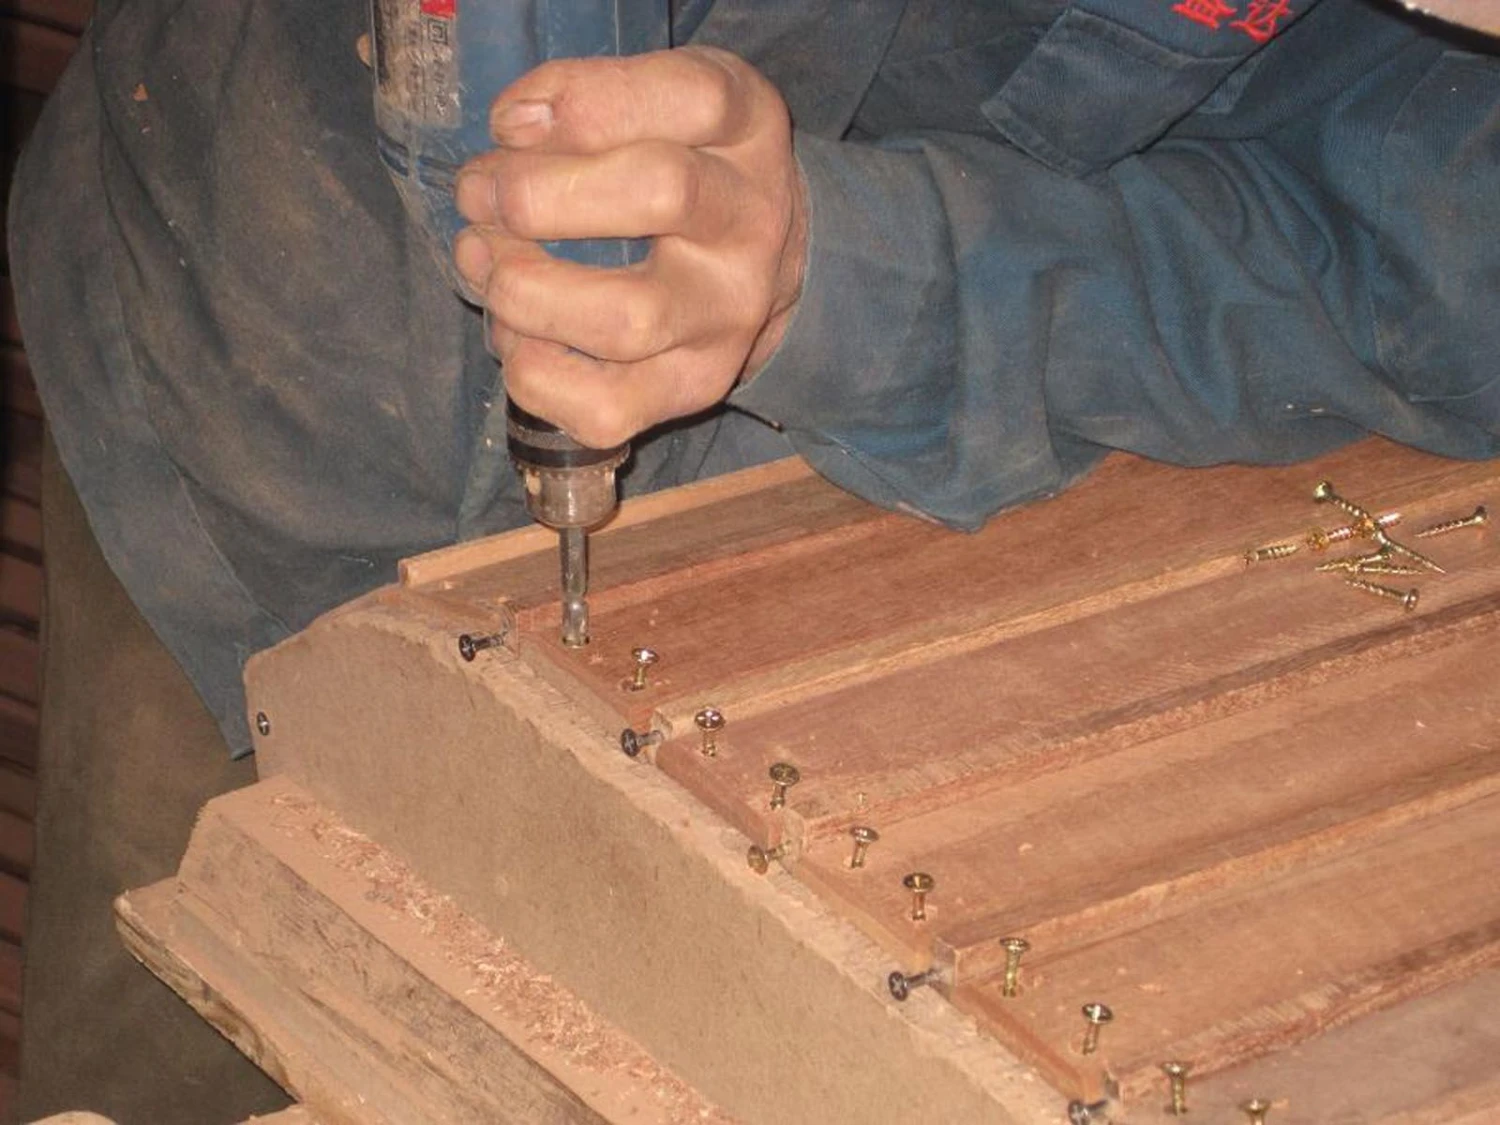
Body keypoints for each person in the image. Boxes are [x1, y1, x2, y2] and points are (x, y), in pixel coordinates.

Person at [7, 0, 1497, 1120]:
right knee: (211, 997)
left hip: (872, 511)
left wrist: (846, 278)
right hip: (237, 393)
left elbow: (1438, 252)